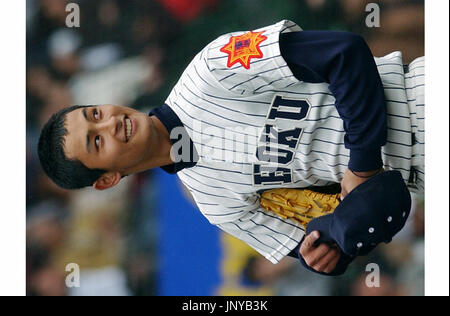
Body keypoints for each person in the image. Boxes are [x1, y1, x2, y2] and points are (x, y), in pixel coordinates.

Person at [38, 20, 424, 275]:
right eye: (97, 140)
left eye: (94, 113)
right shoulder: (214, 203)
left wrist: (363, 165)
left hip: (418, 98)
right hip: (421, 177)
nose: (109, 122)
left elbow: (345, 52)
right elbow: (317, 244)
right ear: (107, 179)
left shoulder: (209, 71)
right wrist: (330, 246)